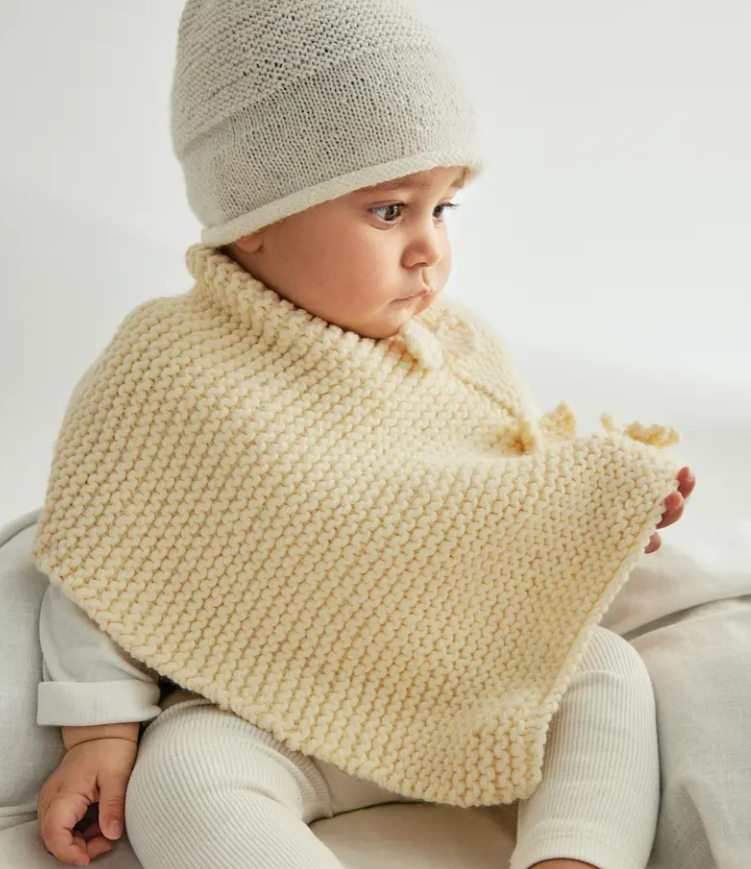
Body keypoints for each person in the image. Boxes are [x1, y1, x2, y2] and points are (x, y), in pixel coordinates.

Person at [31, 2, 695, 868]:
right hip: (266, 704)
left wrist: (588, 519)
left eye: (442, 208)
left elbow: (498, 506)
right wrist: (100, 731)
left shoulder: (461, 351)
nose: (428, 249)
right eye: (388, 211)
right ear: (253, 212)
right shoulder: (168, 361)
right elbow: (105, 556)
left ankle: (569, 858)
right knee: (184, 770)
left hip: (459, 685)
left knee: (603, 670)